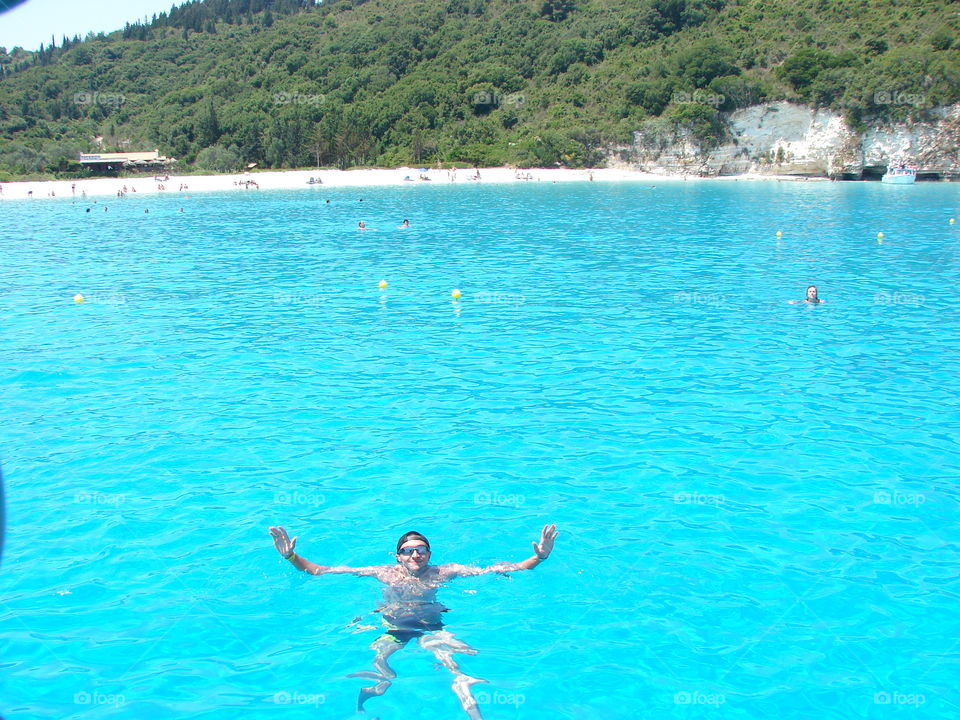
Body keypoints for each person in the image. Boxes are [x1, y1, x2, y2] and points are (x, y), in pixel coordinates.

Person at [268, 524, 558, 719]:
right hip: (393, 628)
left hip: (432, 627)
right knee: (382, 673)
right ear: (398, 556)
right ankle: (366, 705)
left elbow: (501, 569)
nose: (415, 554)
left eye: (421, 549)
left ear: (429, 554)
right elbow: (323, 570)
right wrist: (291, 556)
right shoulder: (382, 573)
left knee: (459, 672)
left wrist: (539, 559)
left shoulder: (446, 572)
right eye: (408, 550)